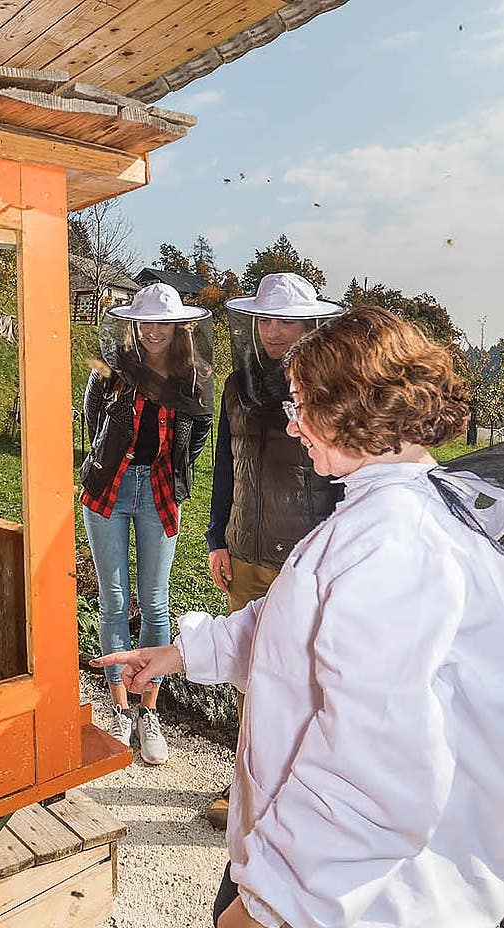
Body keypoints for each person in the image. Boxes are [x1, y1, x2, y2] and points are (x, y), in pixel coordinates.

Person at [93, 306, 504, 928]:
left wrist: (270, 905)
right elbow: (298, 622)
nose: (293, 425)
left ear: (353, 407)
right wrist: (183, 653)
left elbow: (374, 772)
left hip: (358, 898)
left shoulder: (393, 545)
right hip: (331, 877)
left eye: (302, 404)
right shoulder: (387, 515)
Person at [205, 272, 343, 828]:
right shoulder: (237, 386)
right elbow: (225, 466)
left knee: (306, 680)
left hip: (305, 558)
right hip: (245, 551)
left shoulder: (330, 388)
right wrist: (218, 538)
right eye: (266, 319)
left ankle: (301, 798)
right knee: (248, 675)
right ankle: (244, 788)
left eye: (286, 320)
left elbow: (342, 475)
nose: (274, 331)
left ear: (311, 324)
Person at [81, 282, 213, 764]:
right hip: (110, 491)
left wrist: (176, 478)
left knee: (155, 603)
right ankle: (119, 707)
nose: (154, 330)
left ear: (179, 327)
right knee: (115, 601)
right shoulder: (113, 370)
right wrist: (96, 470)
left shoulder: (194, 377)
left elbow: (197, 435)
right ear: (134, 324)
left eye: (163, 321)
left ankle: (148, 710)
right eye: (146, 321)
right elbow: (90, 428)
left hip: (158, 493)